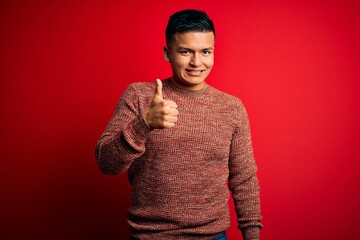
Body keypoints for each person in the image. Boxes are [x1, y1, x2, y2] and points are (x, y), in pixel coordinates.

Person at [95, 9, 262, 240]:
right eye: (185, 51)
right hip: (150, 236)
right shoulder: (139, 96)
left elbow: (244, 178)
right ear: (167, 53)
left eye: (206, 52)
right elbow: (106, 163)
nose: (197, 62)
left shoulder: (231, 107)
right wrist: (144, 123)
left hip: (212, 236)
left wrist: (251, 235)